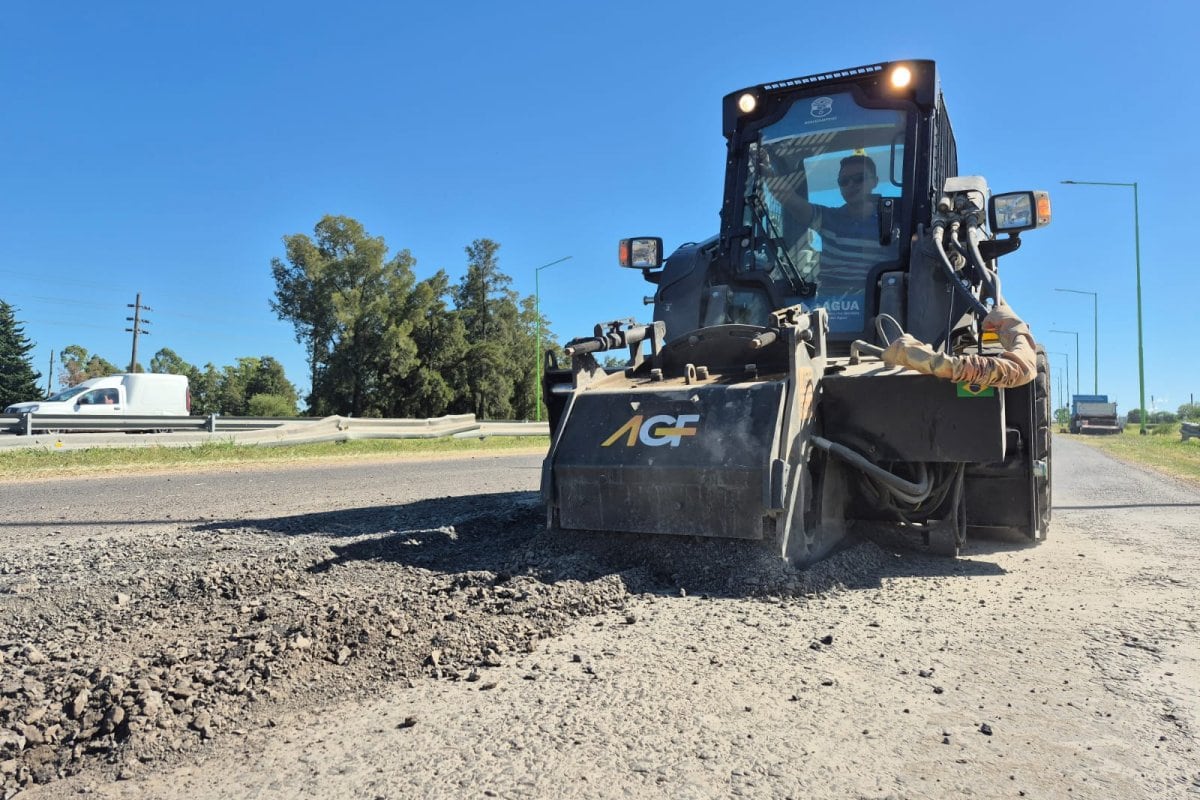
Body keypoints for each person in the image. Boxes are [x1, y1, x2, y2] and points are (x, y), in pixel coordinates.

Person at [763, 152, 897, 295]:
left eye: (859, 178)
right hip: (828, 301)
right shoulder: (828, 218)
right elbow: (790, 200)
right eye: (844, 181)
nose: (851, 185)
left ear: (875, 182)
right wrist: (766, 171)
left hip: (876, 301)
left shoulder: (892, 223)